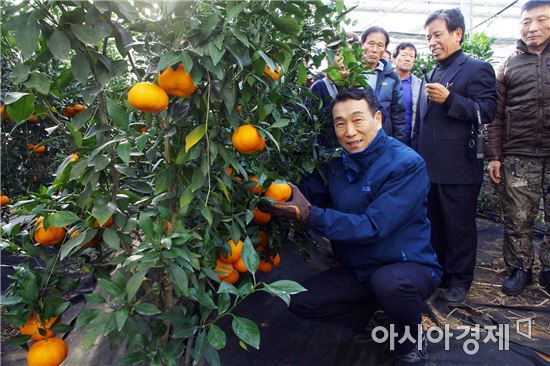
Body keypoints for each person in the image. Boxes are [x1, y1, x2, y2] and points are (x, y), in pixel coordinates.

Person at [260, 88, 442, 366]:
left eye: (358, 120)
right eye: (340, 122)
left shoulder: (407, 164)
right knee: (298, 299)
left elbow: (373, 226)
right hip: (358, 270)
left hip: (407, 267)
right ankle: (374, 319)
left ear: (378, 119)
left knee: (391, 285)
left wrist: (310, 216)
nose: (349, 131)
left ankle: (409, 341)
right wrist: (266, 190)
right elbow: (308, 194)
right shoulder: (335, 162)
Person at [411, 8, 497, 303]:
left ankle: (461, 279)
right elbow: (422, 122)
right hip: (429, 167)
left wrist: (451, 100)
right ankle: (441, 274)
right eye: (428, 37)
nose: (431, 41)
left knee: (458, 225)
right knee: (434, 224)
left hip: (459, 167)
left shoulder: (477, 68)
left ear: (457, 34)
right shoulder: (432, 72)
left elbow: (486, 111)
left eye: (437, 34)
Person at [485, 0, 550, 295]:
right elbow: (495, 116)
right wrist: (494, 156)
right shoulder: (508, 64)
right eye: (526, 21)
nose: (533, 27)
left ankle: (548, 268)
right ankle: (519, 268)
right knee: (518, 217)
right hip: (519, 155)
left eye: (541, 20)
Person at [309, 32, 361, 148]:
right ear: (329, 56)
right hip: (329, 153)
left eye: (349, 54)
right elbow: (311, 121)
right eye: (338, 54)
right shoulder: (319, 87)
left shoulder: (361, 87)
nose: (344, 60)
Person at [361, 26, 408, 145]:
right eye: (371, 43)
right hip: (356, 137)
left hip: (382, 139)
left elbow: (398, 114)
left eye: (380, 45)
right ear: (362, 44)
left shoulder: (392, 76)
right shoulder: (351, 73)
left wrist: (399, 144)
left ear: (385, 49)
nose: (374, 49)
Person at [393, 42, 421, 140]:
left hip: (411, 139)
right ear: (394, 58)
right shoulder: (386, 81)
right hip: (387, 138)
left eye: (411, 56)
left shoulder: (419, 85)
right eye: (403, 55)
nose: (408, 59)